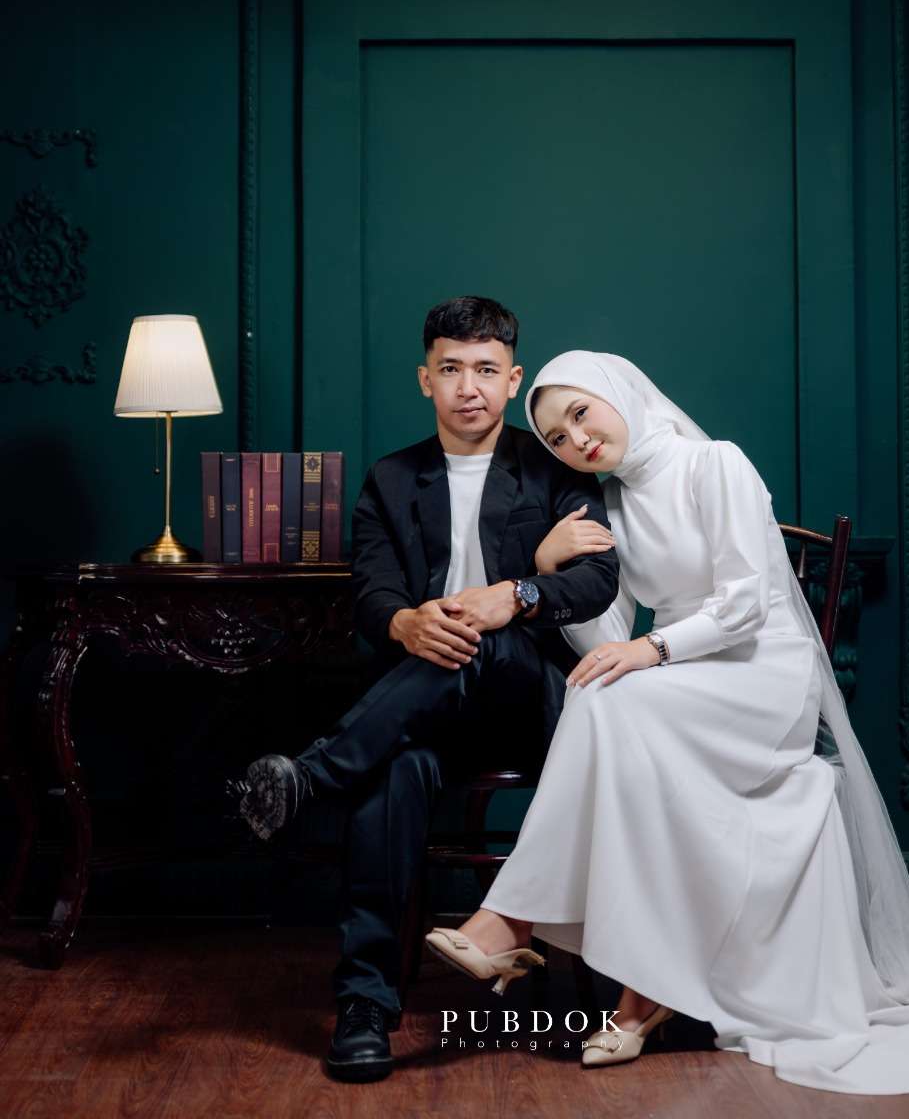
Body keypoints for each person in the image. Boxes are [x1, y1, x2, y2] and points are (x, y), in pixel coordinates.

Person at [427, 351, 909, 1093]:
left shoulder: (714, 464)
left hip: (763, 671)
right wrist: (550, 565)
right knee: (597, 692)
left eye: (581, 413)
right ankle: (637, 988)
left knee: (613, 695)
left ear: (620, 393)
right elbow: (604, 640)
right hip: (685, 677)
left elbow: (746, 604)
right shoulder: (612, 506)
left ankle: (513, 922)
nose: (579, 441)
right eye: (558, 439)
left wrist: (651, 650)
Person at [230, 301, 619, 1083]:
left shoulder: (552, 467)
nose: (468, 387)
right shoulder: (392, 478)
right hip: (421, 713)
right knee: (392, 777)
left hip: (528, 705)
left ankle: (312, 776)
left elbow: (598, 577)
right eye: (450, 369)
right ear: (425, 379)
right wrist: (407, 622)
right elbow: (372, 593)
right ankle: (365, 1007)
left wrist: (516, 594)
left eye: (485, 370)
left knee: (483, 639)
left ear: (512, 379)